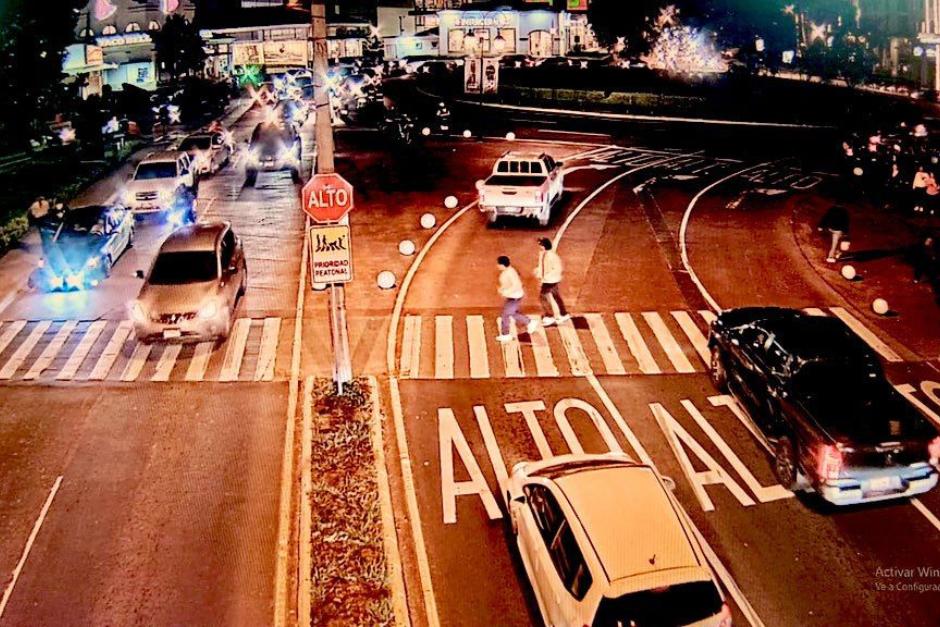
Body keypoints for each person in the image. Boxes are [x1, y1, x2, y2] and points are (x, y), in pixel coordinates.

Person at [496, 255, 538, 343]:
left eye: (498, 264)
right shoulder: (508, 271)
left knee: (506, 314)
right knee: (512, 313)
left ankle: (506, 334)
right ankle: (529, 322)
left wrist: (505, 292)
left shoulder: (510, 272)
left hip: (514, 297)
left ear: (502, 265)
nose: (497, 266)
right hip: (512, 296)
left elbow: (517, 285)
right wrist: (502, 289)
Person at [534, 238, 570, 326]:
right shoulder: (543, 254)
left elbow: (557, 269)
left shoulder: (552, 256)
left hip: (551, 280)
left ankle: (549, 316)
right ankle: (563, 313)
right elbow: (542, 266)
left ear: (544, 246)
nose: (539, 246)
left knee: (543, 296)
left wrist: (545, 277)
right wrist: (538, 272)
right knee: (556, 295)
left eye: (541, 245)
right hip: (549, 279)